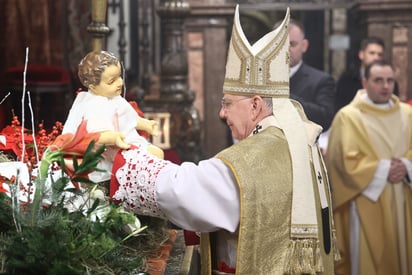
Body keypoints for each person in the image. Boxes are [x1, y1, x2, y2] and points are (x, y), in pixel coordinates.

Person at [109, 6, 337, 274]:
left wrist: (125, 159)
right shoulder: (294, 137)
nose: (221, 113)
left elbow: (188, 191)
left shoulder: (261, 153)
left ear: (255, 105)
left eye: (227, 103)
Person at [326, 60, 412, 275]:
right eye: (378, 80)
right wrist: (384, 169)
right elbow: (342, 162)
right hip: (365, 201)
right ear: (365, 82)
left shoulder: (407, 115)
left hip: (404, 200)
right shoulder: (348, 117)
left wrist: (406, 166)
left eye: (390, 80)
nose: (385, 86)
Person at [63, 51, 163, 183]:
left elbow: (128, 118)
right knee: (155, 156)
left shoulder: (114, 98)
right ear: (93, 86)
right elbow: (95, 135)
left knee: (157, 154)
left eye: (119, 77)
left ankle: (146, 182)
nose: (120, 83)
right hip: (109, 151)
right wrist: (113, 138)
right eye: (112, 81)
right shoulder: (94, 105)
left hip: (127, 142)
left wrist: (146, 125)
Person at [288, 19, 336, 132]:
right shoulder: (260, 79)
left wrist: (285, 98)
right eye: (279, 44)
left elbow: (325, 118)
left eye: (292, 44)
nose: (286, 50)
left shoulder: (321, 80)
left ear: (304, 46)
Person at [335, 36, 399, 112]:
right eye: (372, 53)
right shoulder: (347, 80)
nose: (376, 57)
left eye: (380, 54)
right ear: (361, 55)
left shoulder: (389, 83)